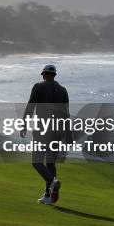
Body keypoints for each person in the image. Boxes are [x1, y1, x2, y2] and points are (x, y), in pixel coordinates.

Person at [21, 64, 69, 205]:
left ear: (43, 74)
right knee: (50, 163)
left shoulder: (38, 87)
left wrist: (24, 124)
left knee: (36, 162)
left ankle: (52, 181)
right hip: (57, 131)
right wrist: (68, 134)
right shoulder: (63, 90)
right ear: (54, 75)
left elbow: (31, 106)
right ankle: (49, 196)